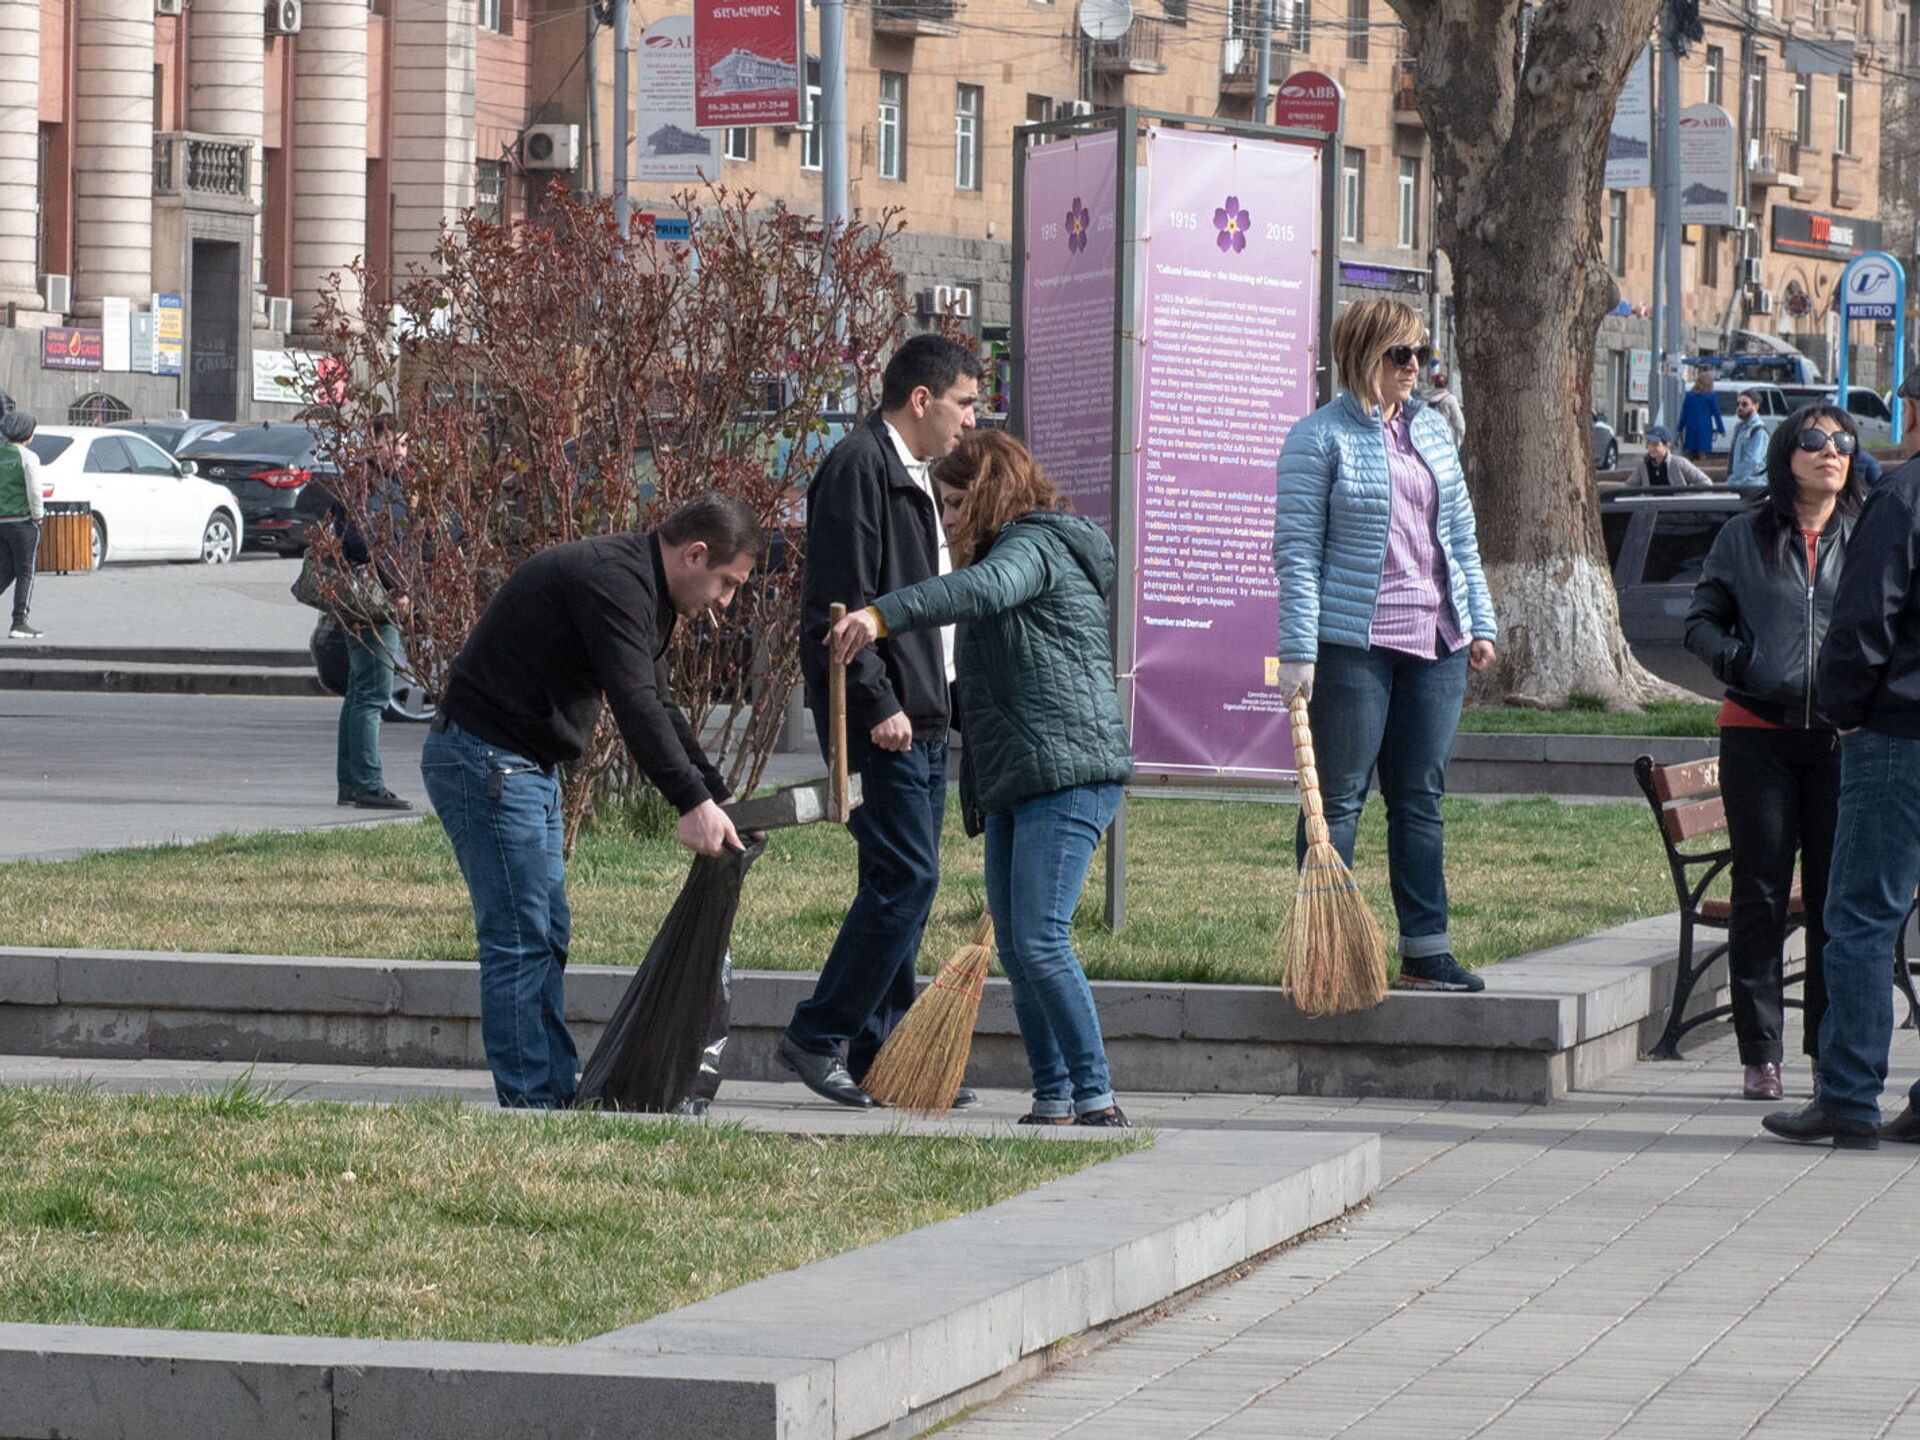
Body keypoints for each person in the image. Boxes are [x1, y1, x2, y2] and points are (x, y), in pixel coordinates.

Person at [829, 431, 1134, 1125]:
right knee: (1022, 952)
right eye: (943, 503)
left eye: (959, 501)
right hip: (1019, 779)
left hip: (1068, 773)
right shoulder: (1015, 549)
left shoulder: (1034, 545)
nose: (949, 518)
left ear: (994, 490)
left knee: (1040, 938)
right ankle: (1053, 1095)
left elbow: (985, 589)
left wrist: (881, 614)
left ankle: (1097, 1096)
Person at [420, 493, 758, 1109]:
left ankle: (547, 1093)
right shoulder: (617, 582)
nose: (725, 603)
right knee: (521, 937)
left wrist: (716, 795)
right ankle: (534, 1105)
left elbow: (661, 707)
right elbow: (633, 706)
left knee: (545, 932)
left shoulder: (641, 587)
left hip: (520, 763)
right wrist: (689, 802)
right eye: (727, 583)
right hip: (487, 760)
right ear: (696, 554)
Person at [1272, 296, 1499, 993]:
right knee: (1337, 800)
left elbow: (1460, 536)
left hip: (1437, 642)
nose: (1415, 368)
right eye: (1402, 354)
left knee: (1419, 798)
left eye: (1422, 355)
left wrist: (1480, 623)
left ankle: (1426, 951)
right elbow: (1297, 553)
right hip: (1353, 645)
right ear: (1362, 354)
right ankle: (1324, 954)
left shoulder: (1432, 433)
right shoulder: (1319, 438)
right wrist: (1299, 651)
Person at [781, 334, 985, 1110]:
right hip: (886, 717)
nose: (972, 419)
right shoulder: (859, 468)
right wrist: (879, 702)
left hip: (924, 712)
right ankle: (816, 1034)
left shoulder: (920, 475)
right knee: (907, 877)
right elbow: (842, 602)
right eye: (965, 403)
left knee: (903, 883)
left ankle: (887, 1053)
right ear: (923, 400)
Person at [1684, 403, 1865, 1102]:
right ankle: (1761, 1054)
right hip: (1757, 736)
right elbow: (1701, 617)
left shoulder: (1864, 534)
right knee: (1761, 895)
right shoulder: (1743, 536)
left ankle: (1826, 1053)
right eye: (1816, 439)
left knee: (1830, 900)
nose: (1831, 450)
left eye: (1843, 440)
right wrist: (1738, 661)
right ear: (1788, 452)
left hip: (1840, 742)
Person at [1763, 371, 1920, 1149]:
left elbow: (1864, 622)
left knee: (1861, 915)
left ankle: (1851, 1097)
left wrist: (1844, 714)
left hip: (1898, 735)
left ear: (1913, 413)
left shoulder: (1900, 498)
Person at [329, 419, 414, 810]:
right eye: (391, 443)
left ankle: (351, 783)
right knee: (374, 694)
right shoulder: (365, 489)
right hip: (373, 601)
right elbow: (363, 543)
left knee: (359, 691)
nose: (399, 451)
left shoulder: (384, 485)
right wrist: (399, 586)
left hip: (360, 598)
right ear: (371, 444)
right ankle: (367, 783)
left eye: (404, 445)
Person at [0, 409, 44, 640]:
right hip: (23, 523)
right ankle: (19, 622)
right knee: (26, 570)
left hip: (1, 523)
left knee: (5, 571)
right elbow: (35, 492)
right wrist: (38, 517)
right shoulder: (28, 457)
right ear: (27, 433)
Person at [1626, 426, 1713, 489]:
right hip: (1652, 510)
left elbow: (1706, 482)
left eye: (1656, 445)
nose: (1651, 448)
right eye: (1649, 444)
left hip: (1676, 511)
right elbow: (1628, 487)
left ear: (1667, 446)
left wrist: (1688, 500)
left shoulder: (1680, 463)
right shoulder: (1643, 466)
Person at [1724, 390, 1770, 490]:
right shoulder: (1739, 428)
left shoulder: (1759, 430)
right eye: (1738, 404)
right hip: (1739, 485)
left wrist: (1733, 481)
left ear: (1756, 406)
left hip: (1753, 486)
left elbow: (1752, 461)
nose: (1740, 407)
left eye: (1745, 404)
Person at [1679, 370, 1724, 462]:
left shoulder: (1689, 396)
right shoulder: (1711, 397)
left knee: (1691, 454)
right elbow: (1716, 414)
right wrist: (1721, 429)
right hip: (1704, 428)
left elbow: (1684, 413)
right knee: (1702, 454)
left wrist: (1680, 428)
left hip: (1691, 427)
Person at [1423, 367, 1466, 448]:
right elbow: (1460, 424)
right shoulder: (1450, 399)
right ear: (1447, 385)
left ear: (1434, 384)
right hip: (1445, 440)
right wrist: (1458, 443)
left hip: (1428, 439)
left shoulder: (1425, 399)